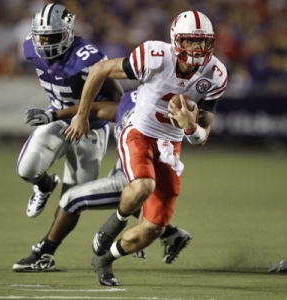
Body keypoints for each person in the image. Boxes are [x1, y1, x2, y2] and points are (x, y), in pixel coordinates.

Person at [65, 10, 228, 286]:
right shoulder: (155, 56)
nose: (198, 48)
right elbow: (100, 69)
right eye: (191, 41)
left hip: (170, 146)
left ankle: (105, 259)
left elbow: (202, 138)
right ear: (177, 40)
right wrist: (81, 114)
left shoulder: (215, 74)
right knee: (143, 186)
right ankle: (114, 222)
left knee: (154, 228)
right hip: (139, 132)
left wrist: (190, 127)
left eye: (203, 42)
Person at [12, 91, 192, 272]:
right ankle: (170, 234)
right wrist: (53, 115)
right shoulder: (131, 100)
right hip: (129, 172)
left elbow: (153, 170)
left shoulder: (158, 113)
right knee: (126, 201)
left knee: (71, 199)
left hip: (137, 178)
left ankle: (44, 254)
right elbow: (95, 109)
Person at [16, 3, 123, 218]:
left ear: (68, 33)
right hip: (57, 116)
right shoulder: (30, 46)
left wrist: (83, 114)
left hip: (90, 128)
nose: (45, 43)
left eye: (53, 37)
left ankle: (47, 247)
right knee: (26, 170)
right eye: (42, 37)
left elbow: (116, 98)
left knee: (73, 198)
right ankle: (45, 185)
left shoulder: (87, 59)